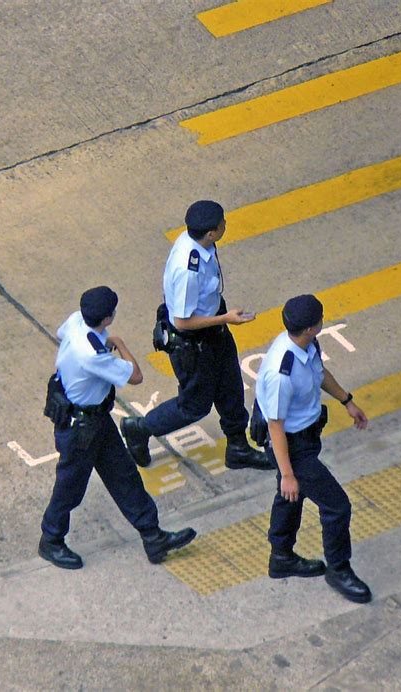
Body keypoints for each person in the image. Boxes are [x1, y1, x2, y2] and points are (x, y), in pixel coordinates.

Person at [39, 286, 196, 569]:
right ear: (108, 318)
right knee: (69, 488)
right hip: (80, 429)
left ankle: (153, 535)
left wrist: (102, 340)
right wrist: (120, 344)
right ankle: (51, 541)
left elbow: (64, 334)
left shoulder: (77, 321)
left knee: (124, 475)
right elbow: (136, 376)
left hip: (96, 421)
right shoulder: (93, 355)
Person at [121, 200, 273, 471]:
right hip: (194, 344)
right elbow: (182, 321)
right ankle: (140, 429)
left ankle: (237, 448)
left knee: (231, 388)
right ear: (212, 233)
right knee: (194, 406)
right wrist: (226, 319)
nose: (226, 224)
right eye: (222, 223)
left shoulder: (200, 243)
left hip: (214, 332)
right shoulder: (187, 269)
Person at [255, 294, 372, 603]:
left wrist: (347, 401)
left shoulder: (306, 345)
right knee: (336, 506)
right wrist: (288, 473)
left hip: (305, 438)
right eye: (320, 319)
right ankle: (339, 569)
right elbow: (275, 426)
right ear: (311, 328)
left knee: (290, 497)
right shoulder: (281, 371)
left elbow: (320, 374)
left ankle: (281, 556)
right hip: (291, 447)